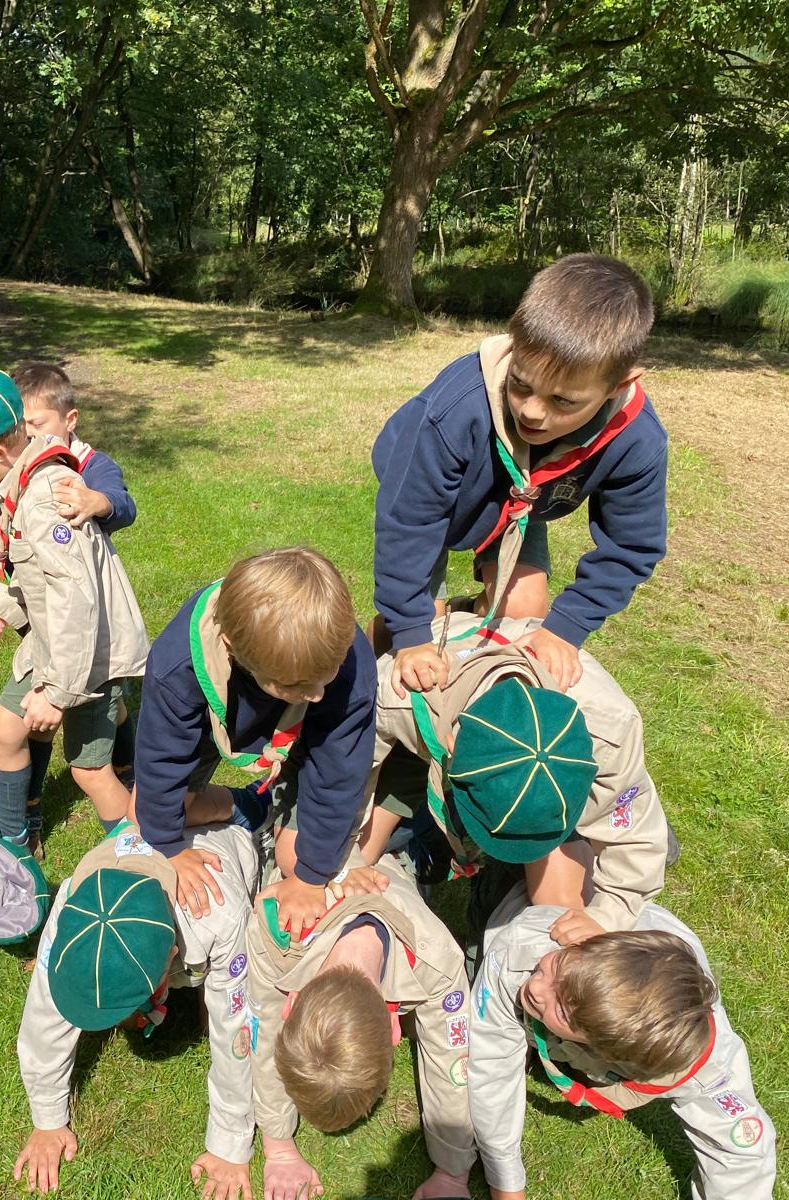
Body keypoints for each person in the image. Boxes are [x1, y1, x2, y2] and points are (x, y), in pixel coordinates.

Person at [372, 254, 665, 693]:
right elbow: (409, 522)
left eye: (563, 401)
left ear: (619, 385)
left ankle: (464, 641)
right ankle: (358, 679)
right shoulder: (453, 411)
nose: (532, 411)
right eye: (521, 384)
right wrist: (411, 634)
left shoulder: (638, 438)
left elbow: (631, 546)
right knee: (416, 623)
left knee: (525, 610)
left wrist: (566, 629)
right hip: (426, 494)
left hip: (519, 504)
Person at [0, 365, 149, 852]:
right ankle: (15, 839)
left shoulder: (46, 500)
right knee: (4, 727)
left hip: (89, 656)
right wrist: (1, 606)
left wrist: (57, 693)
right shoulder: (18, 484)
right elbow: (37, 576)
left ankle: (141, 854)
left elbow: (77, 603)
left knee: (90, 772)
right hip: (54, 642)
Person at [360, 614, 669, 945]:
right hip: (418, 732)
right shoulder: (397, 696)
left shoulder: (609, 731)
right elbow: (342, 777)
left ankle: (573, 839)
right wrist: (348, 860)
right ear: (451, 744)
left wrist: (609, 914)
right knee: (355, 857)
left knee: (561, 897)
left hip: (561, 772)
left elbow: (637, 832)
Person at [130, 547, 377, 938]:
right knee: (144, 815)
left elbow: (338, 776)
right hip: (214, 713)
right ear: (230, 645)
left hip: (313, 737)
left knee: (295, 859)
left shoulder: (344, 669)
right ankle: (252, 806)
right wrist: (170, 848)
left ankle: (282, 810)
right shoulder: (178, 664)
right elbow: (161, 759)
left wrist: (310, 878)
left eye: (324, 678)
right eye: (296, 685)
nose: (316, 693)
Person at [469, 885, 776, 1200]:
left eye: (562, 1011)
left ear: (604, 1052)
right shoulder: (523, 951)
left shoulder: (703, 1060)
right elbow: (491, 1071)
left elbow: (741, 1151)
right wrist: (506, 1185)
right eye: (559, 966)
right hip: (516, 899)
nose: (535, 987)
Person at [14, 818, 259, 1199]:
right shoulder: (77, 901)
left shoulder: (221, 917)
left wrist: (229, 1145)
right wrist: (47, 1119)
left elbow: (237, 1030)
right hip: (157, 879)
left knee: (212, 1020)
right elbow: (44, 1011)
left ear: (172, 957)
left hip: (229, 846)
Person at [247, 850, 475, 1200]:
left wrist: (452, 1172)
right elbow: (262, 1033)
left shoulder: (437, 962)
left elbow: (452, 1062)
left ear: (395, 1026)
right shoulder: (273, 933)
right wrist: (278, 1148)